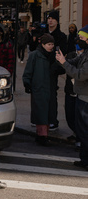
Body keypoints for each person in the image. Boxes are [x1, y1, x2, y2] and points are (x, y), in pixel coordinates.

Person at [55, 25, 88, 171]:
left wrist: (64, 63)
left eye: (82, 38)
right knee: (81, 131)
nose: (78, 40)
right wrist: (64, 59)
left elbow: (80, 74)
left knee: (85, 131)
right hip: (82, 97)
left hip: (86, 99)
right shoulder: (85, 53)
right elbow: (75, 62)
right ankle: (84, 159)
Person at [22, 33, 55, 146]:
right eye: (49, 44)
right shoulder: (35, 55)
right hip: (38, 88)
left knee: (48, 113)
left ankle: (43, 135)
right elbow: (28, 71)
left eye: (52, 44)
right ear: (43, 44)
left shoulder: (53, 56)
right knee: (41, 113)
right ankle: (41, 136)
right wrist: (27, 83)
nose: (51, 46)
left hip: (49, 88)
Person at [46, 10, 67, 131]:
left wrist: (55, 68)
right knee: (41, 95)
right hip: (42, 69)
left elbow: (62, 54)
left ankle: (53, 120)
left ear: (57, 21)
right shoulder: (42, 34)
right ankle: (42, 120)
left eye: (53, 18)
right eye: (49, 18)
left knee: (52, 96)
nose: (50, 20)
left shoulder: (61, 36)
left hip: (52, 71)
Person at [65, 43, 83, 151]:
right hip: (70, 90)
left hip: (81, 93)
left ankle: (80, 138)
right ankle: (75, 132)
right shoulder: (71, 55)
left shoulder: (85, 56)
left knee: (80, 117)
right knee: (69, 114)